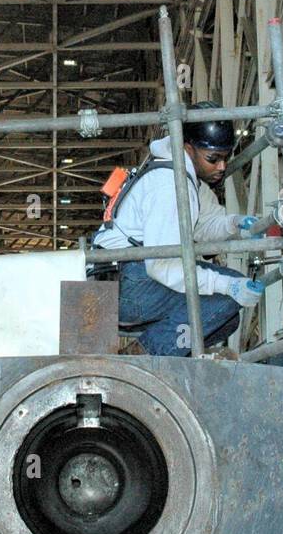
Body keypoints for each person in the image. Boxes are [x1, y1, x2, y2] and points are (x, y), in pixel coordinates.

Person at [91, 101, 263, 356]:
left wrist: (234, 225)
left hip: (126, 282)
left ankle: (160, 351)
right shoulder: (169, 187)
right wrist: (226, 285)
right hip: (127, 286)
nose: (222, 167)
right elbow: (162, 266)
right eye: (213, 158)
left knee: (227, 319)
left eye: (226, 157)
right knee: (228, 293)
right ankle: (142, 358)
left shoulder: (186, 179)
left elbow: (201, 227)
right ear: (188, 148)